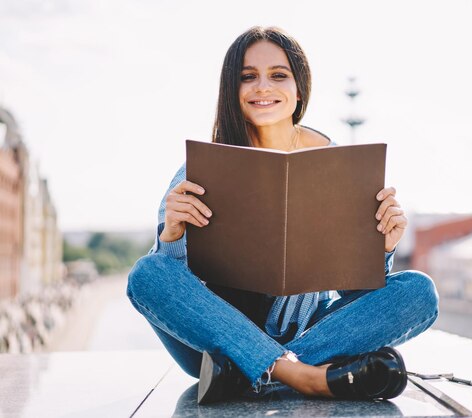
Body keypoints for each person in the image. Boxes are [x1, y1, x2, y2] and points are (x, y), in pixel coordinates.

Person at [126, 26, 439, 404]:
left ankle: (252, 376)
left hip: (306, 336)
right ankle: (302, 378)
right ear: (232, 90)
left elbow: (353, 291)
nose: (262, 87)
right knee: (147, 273)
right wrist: (172, 238)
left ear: (299, 87)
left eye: (278, 75)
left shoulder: (337, 164)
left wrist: (381, 249)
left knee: (418, 292)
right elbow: (171, 284)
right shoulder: (200, 169)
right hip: (214, 342)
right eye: (247, 77)